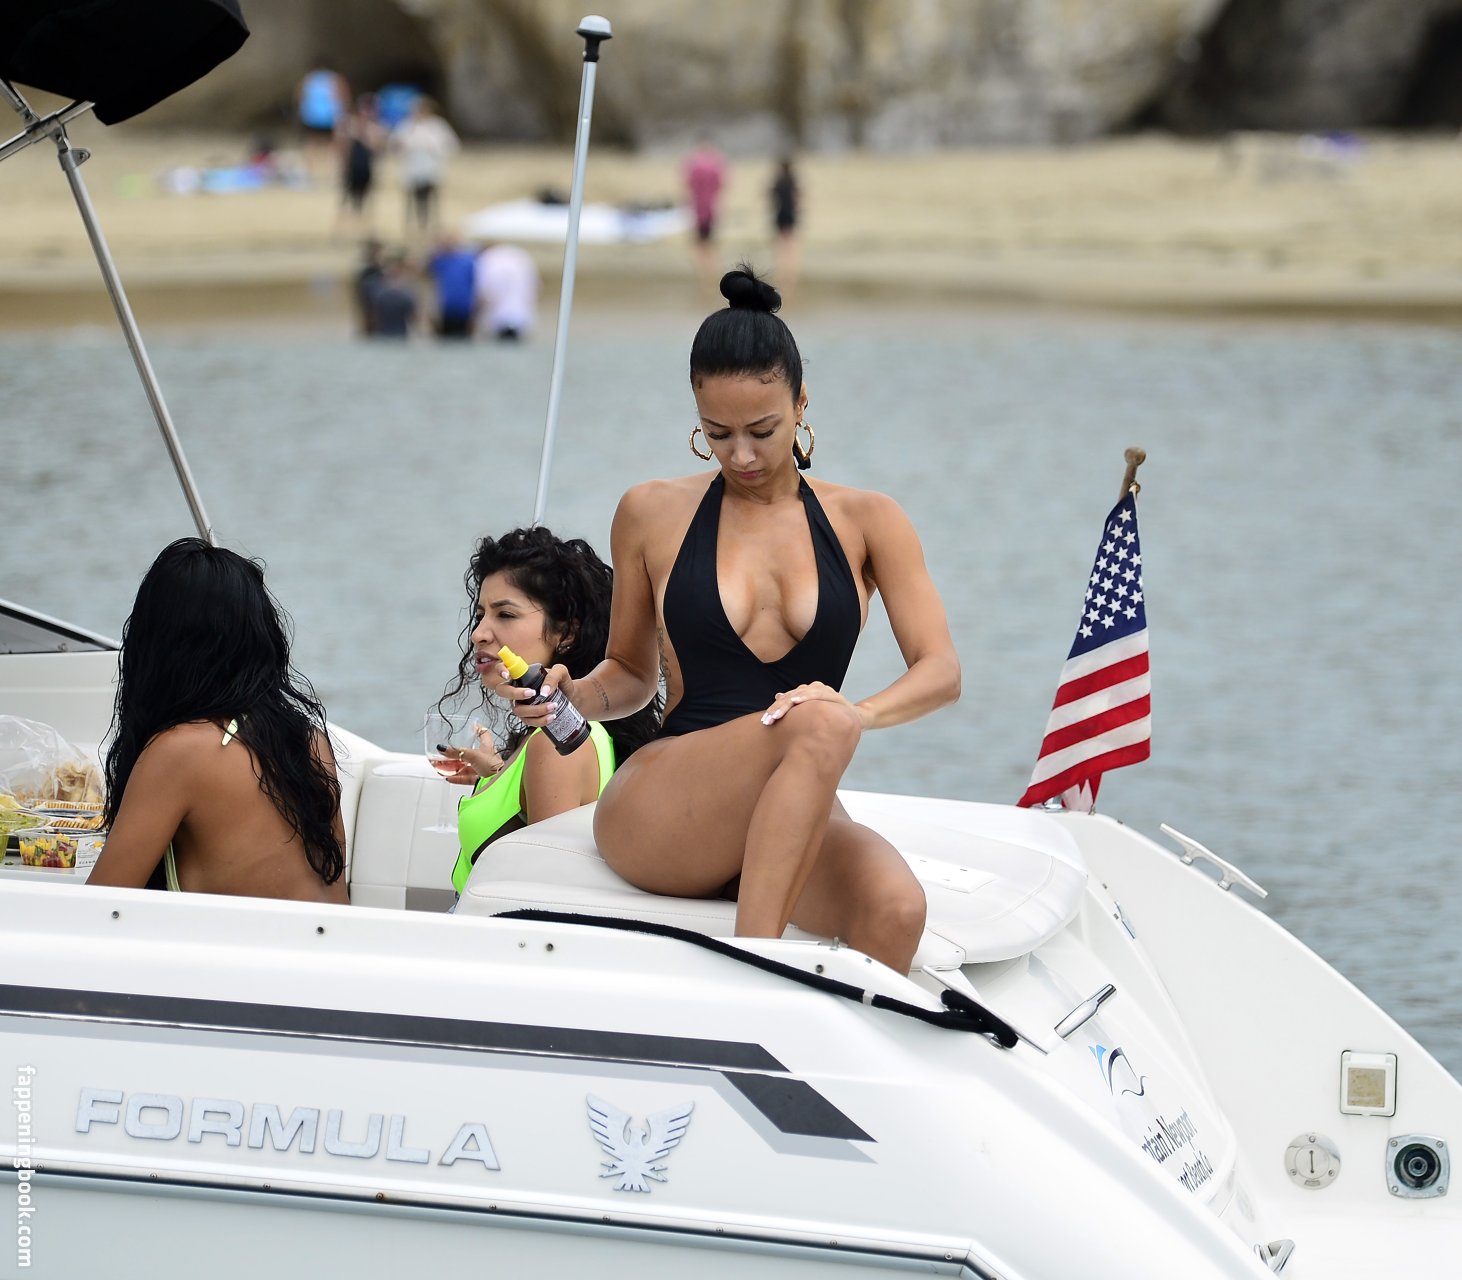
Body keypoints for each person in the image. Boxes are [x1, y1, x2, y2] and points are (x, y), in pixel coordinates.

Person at [500, 266, 960, 973]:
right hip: (665, 801)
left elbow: (942, 672)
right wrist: (574, 695)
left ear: (801, 403)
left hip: (794, 797)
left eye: (762, 431)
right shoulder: (651, 512)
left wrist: (853, 714)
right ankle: (752, 978)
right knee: (817, 723)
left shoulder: (870, 520)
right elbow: (630, 674)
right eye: (717, 434)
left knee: (895, 909)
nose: (741, 455)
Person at [90, 539, 349, 903]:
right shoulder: (310, 740)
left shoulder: (180, 751)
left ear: (156, 645)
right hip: (328, 940)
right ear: (261, 636)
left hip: (241, 942)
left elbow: (98, 906)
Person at [435, 528, 661, 895]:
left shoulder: (556, 745)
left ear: (566, 633)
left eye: (505, 614)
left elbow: (547, 895)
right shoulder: (555, 735)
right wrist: (498, 775)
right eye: (480, 614)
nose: (479, 633)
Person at [394, 98, 460, 235]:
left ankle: (433, 226)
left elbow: (450, 145)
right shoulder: (407, 126)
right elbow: (396, 144)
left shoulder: (438, 126)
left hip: (431, 169)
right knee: (412, 199)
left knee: (432, 199)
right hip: (413, 169)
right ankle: (411, 226)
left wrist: (433, 147)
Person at [683, 136, 727, 297]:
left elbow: (687, 186)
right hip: (710, 209)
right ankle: (711, 276)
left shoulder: (693, 164)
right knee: (709, 245)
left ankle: (703, 277)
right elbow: (721, 186)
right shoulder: (717, 163)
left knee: (700, 246)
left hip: (699, 209)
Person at [335, 94, 384, 238]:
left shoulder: (374, 128)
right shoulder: (348, 125)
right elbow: (341, 145)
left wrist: (364, 135)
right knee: (348, 192)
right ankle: (344, 220)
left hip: (365, 165)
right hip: (352, 165)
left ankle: (362, 218)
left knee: (365, 192)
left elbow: (377, 147)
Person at [472, 241, 540, 341]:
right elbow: (533, 286)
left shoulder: (488, 260)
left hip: (498, 316)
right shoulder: (519, 257)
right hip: (519, 316)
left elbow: (484, 289)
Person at [295, 58, 350, 177]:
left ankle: (310, 170)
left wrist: (302, 113)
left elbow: (300, 96)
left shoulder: (309, 79)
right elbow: (344, 96)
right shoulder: (335, 79)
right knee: (337, 142)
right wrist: (343, 114)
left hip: (312, 116)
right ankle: (339, 170)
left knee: (312, 142)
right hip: (332, 116)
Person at [424, 233, 478, 338]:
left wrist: (475, 313)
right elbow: (426, 275)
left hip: (464, 309)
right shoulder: (440, 260)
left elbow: (475, 285)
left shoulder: (467, 261)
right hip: (444, 310)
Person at [769, 156, 801, 296]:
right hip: (790, 213)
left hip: (780, 213)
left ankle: (781, 268)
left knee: (780, 241)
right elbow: (797, 197)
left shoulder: (778, 181)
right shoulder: (793, 181)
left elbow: (772, 198)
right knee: (790, 241)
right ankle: (791, 268)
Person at [369, 250, 418, 338]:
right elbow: (373, 311)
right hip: (383, 331)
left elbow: (412, 313)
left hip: (400, 331)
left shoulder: (407, 289)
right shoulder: (378, 287)